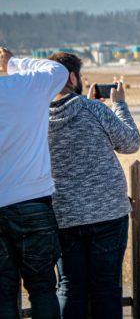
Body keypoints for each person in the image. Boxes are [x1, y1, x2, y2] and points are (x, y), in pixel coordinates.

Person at [46, 52, 140, 319]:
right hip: (108, 213)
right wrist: (119, 104)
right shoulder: (94, 110)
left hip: (63, 215)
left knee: (69, 287)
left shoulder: (37, 116)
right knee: (106, 288)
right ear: (73, 77)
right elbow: (130, 142)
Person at [0, 47, 68, 319]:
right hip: (32, 201)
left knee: (3, 292)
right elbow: (59, 71)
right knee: (42, 288)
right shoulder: (25, 86)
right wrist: (13, 62)